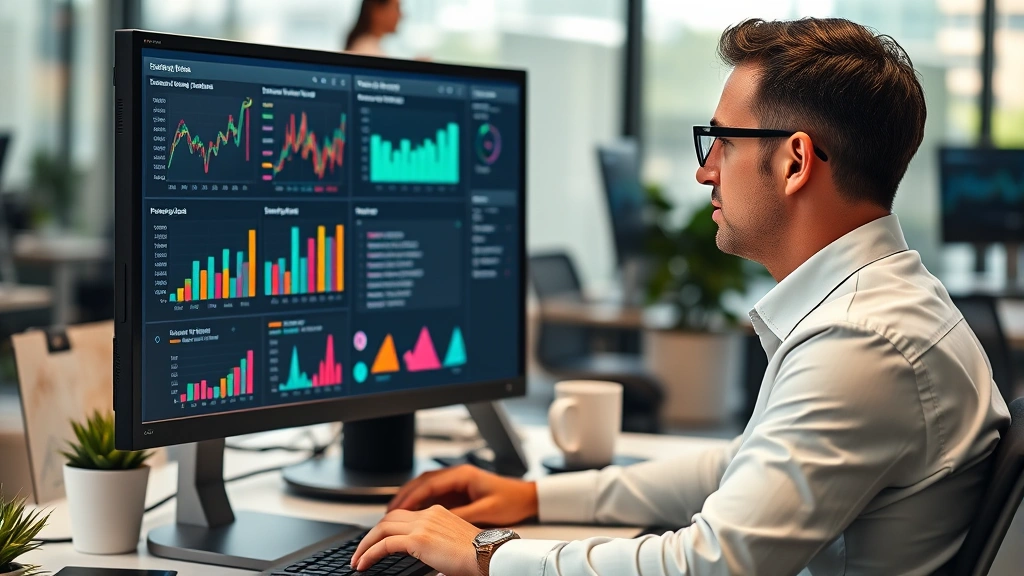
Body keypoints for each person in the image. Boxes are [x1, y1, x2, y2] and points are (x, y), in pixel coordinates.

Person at [351, 17, 1012, 576]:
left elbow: (710, 564)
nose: (704, 170)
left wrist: (489, 554)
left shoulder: (862, 340)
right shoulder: (881, 306)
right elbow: (744, 463)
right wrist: (532, 497)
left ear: (795, 162)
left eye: (723, 141)